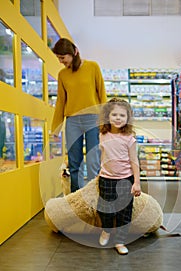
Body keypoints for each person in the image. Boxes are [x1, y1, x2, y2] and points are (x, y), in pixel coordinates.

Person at [51, 38, 107, 192]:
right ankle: (77, 198)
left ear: (72, 53)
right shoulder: (62, 74)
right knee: (74, 162)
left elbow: (102, 94)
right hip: (72, 122)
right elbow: (61, 102)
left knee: (93, 161)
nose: (61, 61)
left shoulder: (92, 67)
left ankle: (94, 196)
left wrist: (105, 121)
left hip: (93, 120)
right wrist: (55, 129)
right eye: (58, 58)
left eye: (62, 58)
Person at [97, 98, 141, 255]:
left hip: (125, 179)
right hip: (106, 179)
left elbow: (134, 161)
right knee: (105, 209)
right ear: (107, 116)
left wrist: (136, 182)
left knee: (124, 212)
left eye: (122, 115)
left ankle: (120, 240)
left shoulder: (129, 139)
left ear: (128, 118)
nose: (118, 118)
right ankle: (106, 231)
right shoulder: (102, 135)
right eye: (114, 114)